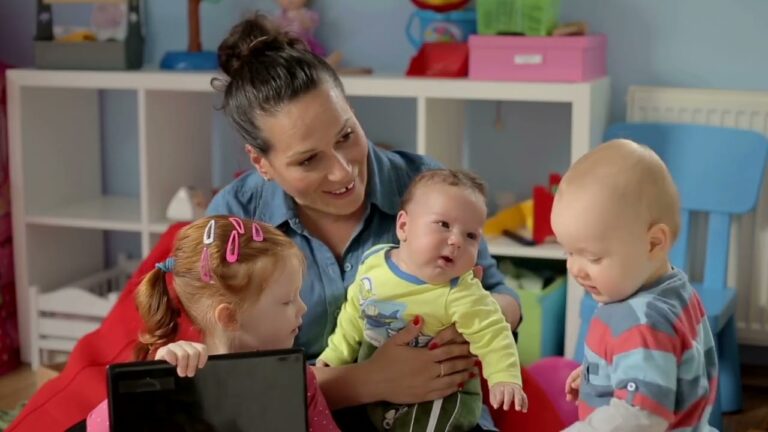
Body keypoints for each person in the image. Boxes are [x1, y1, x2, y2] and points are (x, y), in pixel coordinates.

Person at [207, 13, 522, 431]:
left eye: (345, 135)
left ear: (352, 111)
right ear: (260, 162)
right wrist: (367, 381)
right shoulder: (236, 221)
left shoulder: (425, 186)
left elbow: (504, 298)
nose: (343, 172)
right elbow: (232, 380)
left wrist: (471, 323)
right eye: (308, 159)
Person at [317, 169, 526, 432]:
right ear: (403, 226)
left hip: (440, 398)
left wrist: (504, 378)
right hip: (376, 390)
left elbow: (494, 333)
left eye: (470, 236)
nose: (456, 241)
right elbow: (355, 313)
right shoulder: (374, 262)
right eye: (444, 225)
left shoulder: (461, 293)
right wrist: (336, 355)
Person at [85, 216, 339, 432]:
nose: (303, 308)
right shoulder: (178, 378)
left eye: (298, 296)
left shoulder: (296, 378)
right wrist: (153, 385)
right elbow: (97, 425)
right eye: (287, 301)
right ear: (229, 317)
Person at [551, 140, 718, 431]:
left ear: (653, 243)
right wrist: (603, 373)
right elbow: (663, 365)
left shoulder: (642, 322)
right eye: (569, 252)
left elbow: (640, 416)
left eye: (593, 257)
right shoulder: (673, 288)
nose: (574, 268)